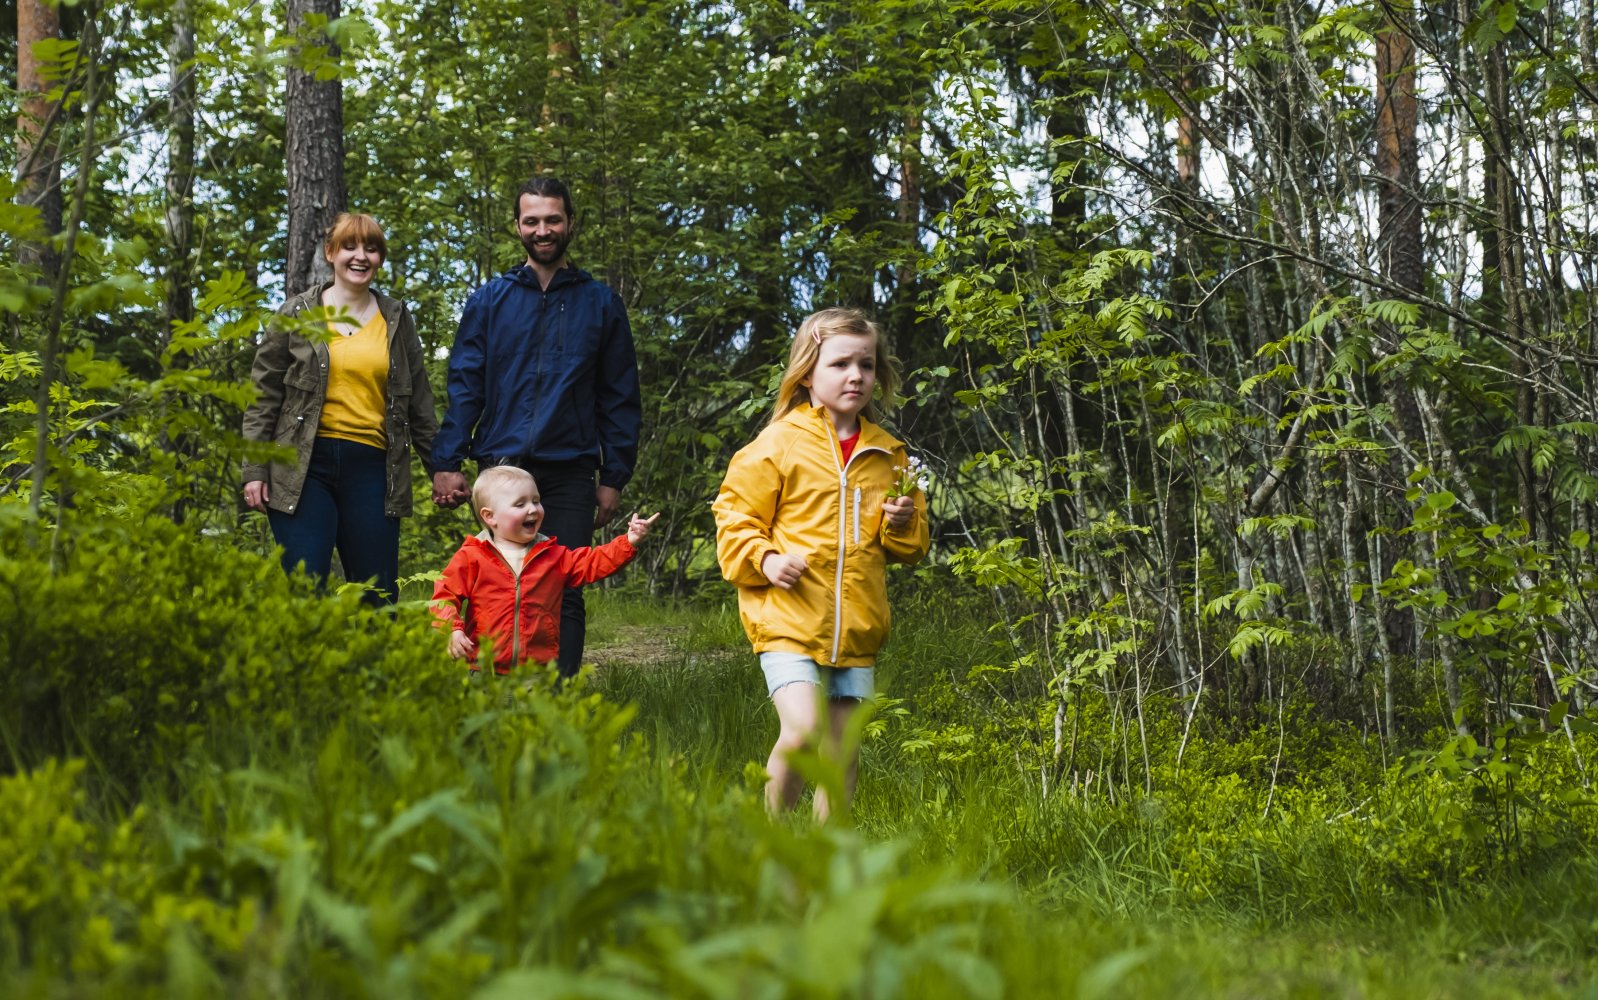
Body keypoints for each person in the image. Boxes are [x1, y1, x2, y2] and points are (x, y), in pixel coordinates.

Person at [712, 307, 929, 819]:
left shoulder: (889, 455)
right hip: (788, 619)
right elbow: (735, 516)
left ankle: (826, 862)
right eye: (840, 364)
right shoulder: (779, 443)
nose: (856, 375)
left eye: (867, 364)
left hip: (856, 628)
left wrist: (901, 524)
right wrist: (764, 559)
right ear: (807, 373)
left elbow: (910, 546)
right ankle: (768, 838)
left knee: (841, 754)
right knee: (803, 731)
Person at [431, 176, 641, 677]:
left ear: (570, 222)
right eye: (532, 221)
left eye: (552, 219)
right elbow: (465, 384)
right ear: (518, 226)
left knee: (563, 588)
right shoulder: (490, 301)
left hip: (570, 471)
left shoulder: (601, 304)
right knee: (493, 588)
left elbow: (620, 396)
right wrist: (448, 461)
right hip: (501, 467)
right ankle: (497, 696)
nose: (542, 230)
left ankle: (557, 701)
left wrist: (613, 476)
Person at [242, 213, 438, 606]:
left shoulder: (396, 320)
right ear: (331, 253)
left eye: (370, 247)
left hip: (372, 469)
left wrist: (442, 470)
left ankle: (374, 668)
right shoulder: (296, 314)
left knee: (377, 597)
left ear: (380, 257)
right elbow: (263, 397)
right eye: (349, 246)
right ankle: (308, 668)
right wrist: (254, 470)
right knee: (305, 590)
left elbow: (419, 405)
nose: (360, 256)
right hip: (300, 467)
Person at [432, 464, 659, 674]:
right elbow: (444, 596)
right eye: (520, 504)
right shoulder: (472, 556)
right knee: (489, 718)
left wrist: (628, 541)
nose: (533, 509)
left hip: (538, 669)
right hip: (484, 669)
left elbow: (593, 562)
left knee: (535, 718)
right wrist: (453, 629)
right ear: (490, 517)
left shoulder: (553, 556)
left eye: (536, 500)